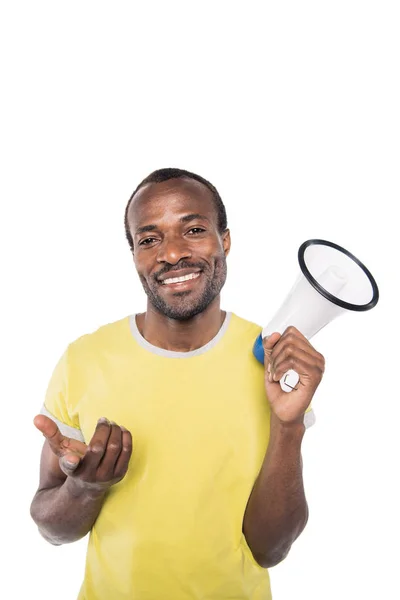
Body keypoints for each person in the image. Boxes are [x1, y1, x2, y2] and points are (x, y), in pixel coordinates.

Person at [30, 168, 324, 600]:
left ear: (225, 240)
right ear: (133, 256)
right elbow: (51, 530)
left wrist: (289, 424)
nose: (172, 254)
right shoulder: (85, 359)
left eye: (194, 229)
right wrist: (84, 487)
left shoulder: (272, 362)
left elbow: (271, 549)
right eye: (149, 239)